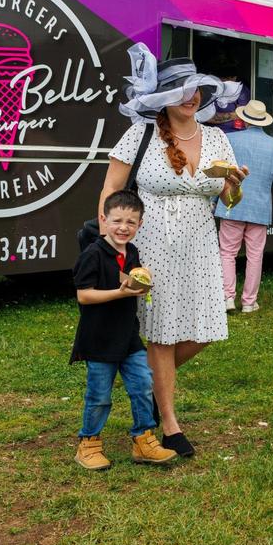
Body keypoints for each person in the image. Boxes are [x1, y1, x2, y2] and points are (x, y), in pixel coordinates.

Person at [100, 44, 248, 458]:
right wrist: (111, 242)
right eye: (183, 90)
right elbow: (111, 189)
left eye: (197, 88)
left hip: (202, 244)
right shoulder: (140, 133)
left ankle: (141, 382)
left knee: (205, 330)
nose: (193, 96)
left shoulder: (218, 137)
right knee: (162, 335)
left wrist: (234, 185)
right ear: (164, 98)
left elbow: (228, 201)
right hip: (153, 246)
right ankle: (169, 424)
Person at [71, 189, 178, 470]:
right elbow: (84, 296)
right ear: (104, 219)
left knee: (143, 385)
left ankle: (143, 439)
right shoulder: (92, 254)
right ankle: (89, 444)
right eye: (117, 221)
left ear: (140, 225)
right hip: (99, 338)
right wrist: (120, 294)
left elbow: (132, 280)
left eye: (131, 222)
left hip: (128, 336)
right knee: (99, 395)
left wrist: (142, 280)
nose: (123, 228)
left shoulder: (132, 251)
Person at [219, 99, 273, 313]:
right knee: (255, 255)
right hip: (260, 208)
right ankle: (249, 302)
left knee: (227, 252)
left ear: (243, 119)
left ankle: (227, 298)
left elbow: (220, 170)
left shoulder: (229, 139)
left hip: (232, 203)